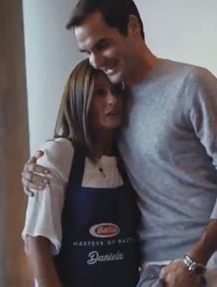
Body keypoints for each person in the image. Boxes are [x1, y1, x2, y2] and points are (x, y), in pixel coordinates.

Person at [22, 0, 217, 287]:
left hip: (216, 261)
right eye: (87, 52)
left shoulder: (193, 84)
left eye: (102, 45)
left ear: (133, 27)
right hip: (152, 267)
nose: (95, 61)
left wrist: (194, 259)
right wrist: (37, 168)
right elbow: (88, 154)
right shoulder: (117, 105)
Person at [22, 59, 140, 287]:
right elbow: (37, 241)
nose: (112, 100)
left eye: (116, 91)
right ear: (79, 100)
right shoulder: (57, 154)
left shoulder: (130, 156)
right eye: (99, 93)